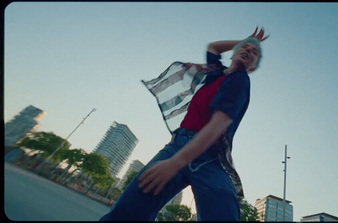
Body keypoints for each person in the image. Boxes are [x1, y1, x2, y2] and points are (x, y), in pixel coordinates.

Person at [99, 27, 269, 221]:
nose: (248, 50)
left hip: (211, 159)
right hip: (176, 145)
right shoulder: (215, 73)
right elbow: (213, 47)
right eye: (244, 48)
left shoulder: (239, 80)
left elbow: (217, 125)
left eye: (254, 52)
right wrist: (244, 40)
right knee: (126, 213)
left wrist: (177, 162)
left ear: (253, 67)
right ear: (232, 54)